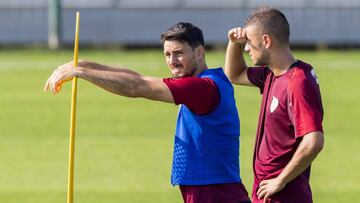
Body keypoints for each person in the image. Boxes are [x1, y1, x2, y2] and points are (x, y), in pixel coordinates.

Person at [44, 22, 250, 203]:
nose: (172, 61)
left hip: (212, 191)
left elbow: (138, 86)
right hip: (209, 188)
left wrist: (81, 72)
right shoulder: (205, 81)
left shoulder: (202, 88)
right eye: (167, 54)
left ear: (199, 53)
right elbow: (136, 76)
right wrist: (80, 65)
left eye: (179, 53)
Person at [224, 7, 324, 203]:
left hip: (285, 196)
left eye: (249, 43)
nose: (246, 49)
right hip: (267, 194)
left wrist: (280, 180)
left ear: (267, 41)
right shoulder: (272, 74)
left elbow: (314, 141)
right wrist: (234, 43)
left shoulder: (297, 82)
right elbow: (234, 74)